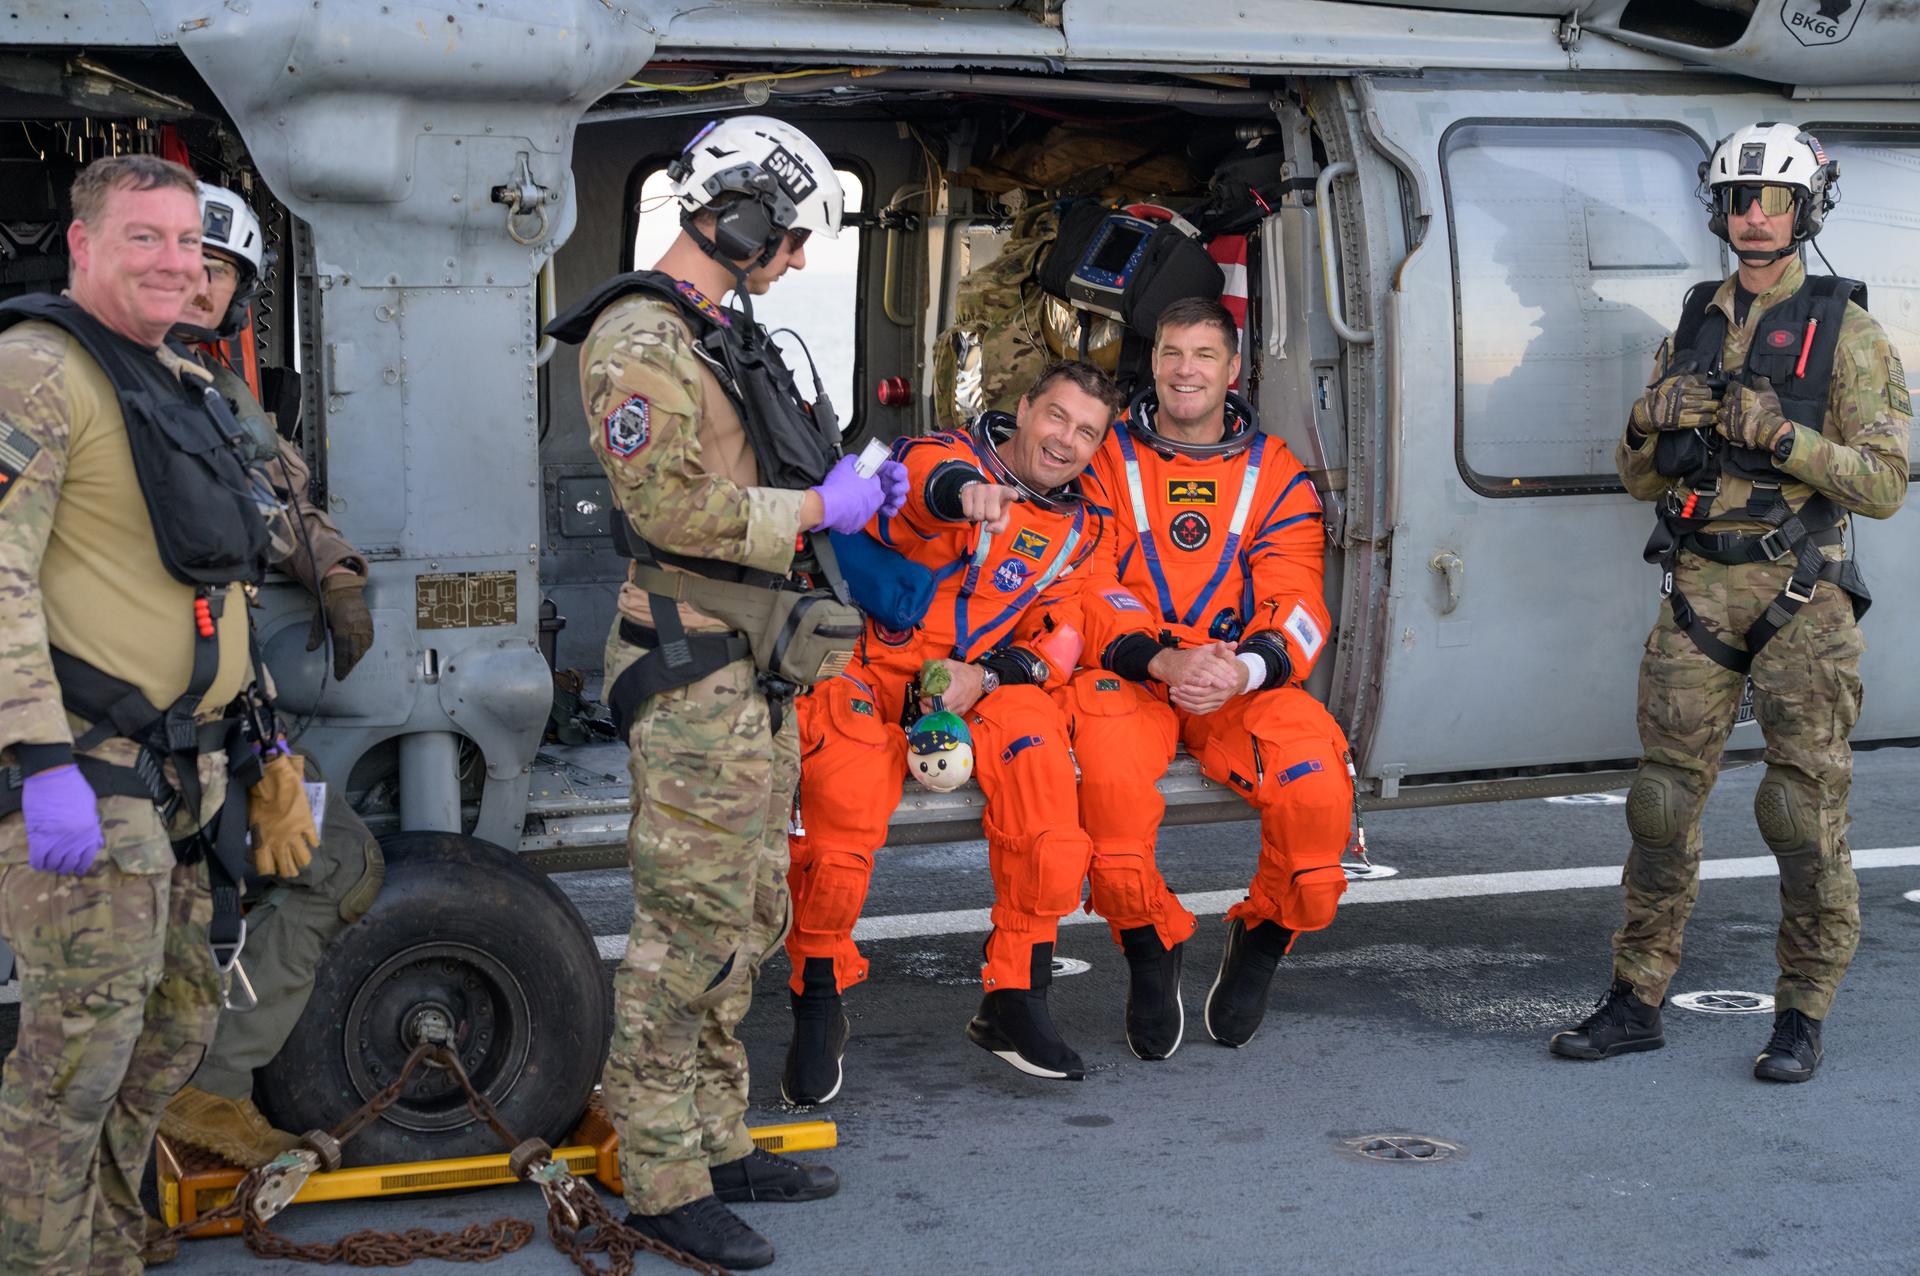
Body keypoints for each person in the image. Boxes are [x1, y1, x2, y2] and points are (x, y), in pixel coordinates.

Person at [544, 115, 905, 1271]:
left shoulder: (713, 333)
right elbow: (672, 511)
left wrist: (843, 492)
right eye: (789, 238)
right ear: (739, 217)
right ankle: (659, 1178)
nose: (795, 261)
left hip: (753, 667)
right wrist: (821, 509)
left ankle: (711, 1138)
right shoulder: (639, 340)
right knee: (684, 932)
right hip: (693, 668)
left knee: (746, 918)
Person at [0, 155, 317, 1274]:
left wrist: (265, 743)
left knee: (168, 1031)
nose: (175, 263)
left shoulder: (177, 381)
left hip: (191, 774)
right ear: (82, 245)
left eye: (188, 242)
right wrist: (38, 757)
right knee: (74, 1061)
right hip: (87, 768)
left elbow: (218, 588)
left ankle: (104, 1238)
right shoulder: (37, 371)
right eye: (145, 238)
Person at [1549, 123, 1910, 1082]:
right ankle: (1637, 997)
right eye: (1740, 200)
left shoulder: (1849, 332)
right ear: (1720, 212)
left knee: (1800, 807)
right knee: (1660, 805)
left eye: (1775, 200)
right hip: (1698, 589)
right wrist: (1647, 419)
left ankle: (1802, 1012)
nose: (1755, 216)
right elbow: (1639, 476)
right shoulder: (1693, 325)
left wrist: (1784, 439)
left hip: (1803, 594)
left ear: (1805, 211)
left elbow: (1884, 483)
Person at [782, 360, 1133, 1104]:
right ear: (1024, 407)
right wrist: (964, 494)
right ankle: (817, 998)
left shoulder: (1085, 528)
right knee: (843, 792)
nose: (1065, 440)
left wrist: (989, 677)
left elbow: (1063, 635)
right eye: (1056, 417)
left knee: (1044, 776)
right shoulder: (944, 455)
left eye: (1086, 433)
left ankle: (1016, 997)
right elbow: (922, 486)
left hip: (972, 681)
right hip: (867, 665)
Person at [1050, 297, 1353, 1059]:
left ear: (1233, 368)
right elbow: (1086, 580)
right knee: (1110, 811)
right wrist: (1160, 657)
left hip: (1235, 681)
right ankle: (1151, 946)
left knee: (1318, 798)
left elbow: (1299, 599)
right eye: (1172, 353)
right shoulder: (1103, 460)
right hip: (1131, 675)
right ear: (1153, 363)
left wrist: (1243, 668)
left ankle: (1265, 938)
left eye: (1204, 355)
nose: (1186, 371)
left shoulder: (1274, 473)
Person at [155, 182, 385, 1176]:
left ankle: (194, 1097)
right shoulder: (92, 385)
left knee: (333, 863)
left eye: (219, 271)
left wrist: (333, 569)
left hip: (219, 709)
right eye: (182, 261)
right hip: (132, 720)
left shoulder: (216, 393)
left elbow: (280, 499)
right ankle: (191, 1096)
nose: (197, 284)